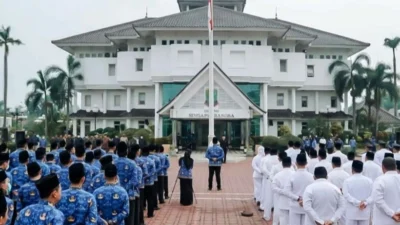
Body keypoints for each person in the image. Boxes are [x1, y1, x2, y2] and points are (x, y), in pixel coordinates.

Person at [283, 153, 314, 225]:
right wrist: (304, 200)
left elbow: (286, 191)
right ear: (306, 163)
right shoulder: (311, 177)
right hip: (307, 206)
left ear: (296, 163)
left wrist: (297, 198)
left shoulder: (292, 176)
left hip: (295, 205)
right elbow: (314, 192)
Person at [115, 142, 139, 225]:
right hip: (129, 194)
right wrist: (125, 188)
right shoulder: (132, 163)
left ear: (117, 150)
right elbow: (135, 181)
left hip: (115, 194)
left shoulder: (113, 163)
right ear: (127, 150)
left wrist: (119, 188)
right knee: (129, 219)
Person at [342, 160, 373, 225]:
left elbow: (346, 195)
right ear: (362, 169)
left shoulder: (347, 181)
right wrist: (365, 203)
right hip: (364, 212)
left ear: (352, 168)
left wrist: (357, 202)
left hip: (351, 213)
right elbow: (373, 196)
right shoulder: (369, 181)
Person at [372, 157, 400, 225]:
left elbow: (378, 200)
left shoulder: (380, 180)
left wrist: (392, 214)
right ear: (395, 167)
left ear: (382, 167)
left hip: (382, 220)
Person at [271, 157, 295, 225]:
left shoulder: (278, 175)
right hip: (293, 201)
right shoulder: (295, 174)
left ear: (282, 164)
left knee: (283, 221)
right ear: (291, 164)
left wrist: (282, 191)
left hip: (282, 201)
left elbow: (273, 188)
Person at [128, 144, 146, 225]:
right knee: (139, 206)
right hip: (139, 186)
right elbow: (145, 173)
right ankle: (140, 221)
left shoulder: (127, 160)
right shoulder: (140, 161)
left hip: (125, 188)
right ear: (137, 151)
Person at [261, 148, 279, 220]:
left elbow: (263, 169)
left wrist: (270, 175)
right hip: (278, 181)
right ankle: (277, 218)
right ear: (277, 152)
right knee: (277, 199)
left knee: (268, 198)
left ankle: (267, 216)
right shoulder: (279, 159)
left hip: (269, 180)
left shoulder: (266, 159)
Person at [140, 146, 156, 218]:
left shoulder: (138, 161)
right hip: (150, 183)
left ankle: (141, 212)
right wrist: (147, 176)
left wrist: (143, 177)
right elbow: (153, 171)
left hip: (141, 183)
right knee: (150, 198)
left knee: (141, 199)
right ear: (148, 152)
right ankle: (150, 213)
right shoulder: (151, 161)